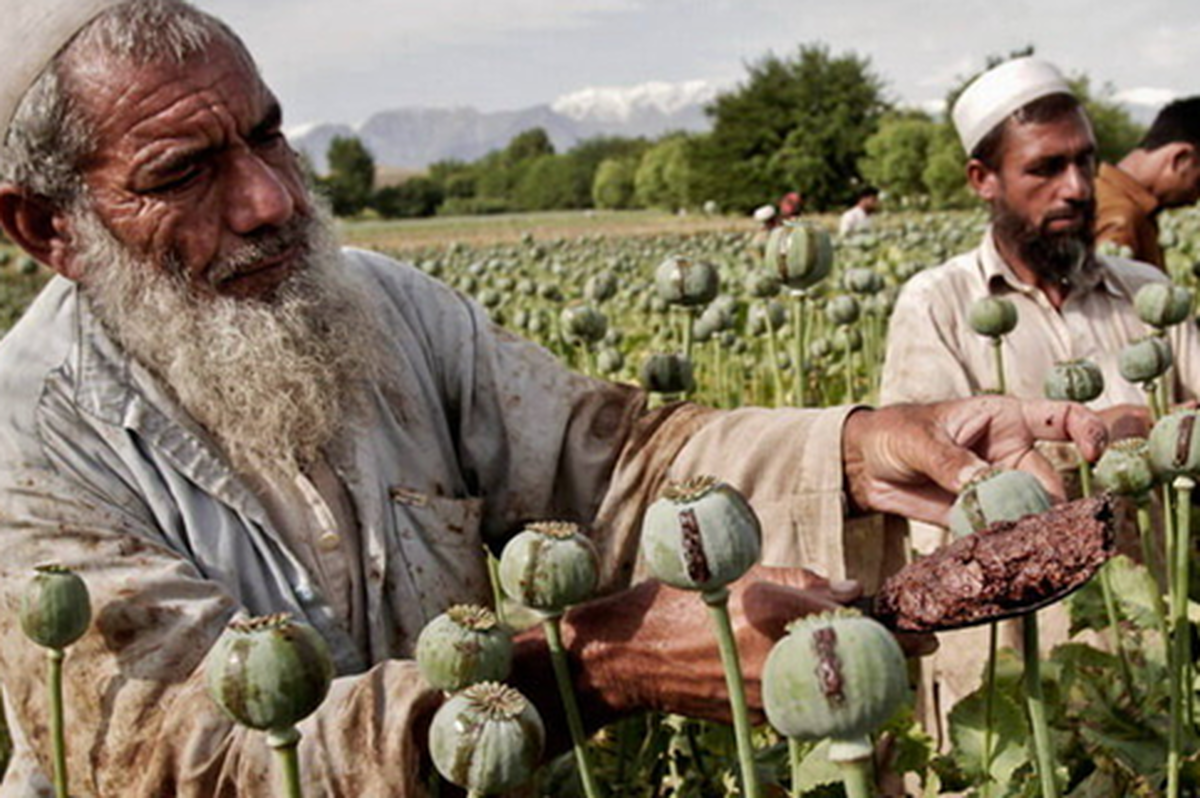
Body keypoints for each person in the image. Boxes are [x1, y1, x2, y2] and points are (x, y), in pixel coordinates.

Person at [0, 5, 1110, 794]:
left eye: (270, 135)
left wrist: (862, 449)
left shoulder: (377, 305)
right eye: (182, 171)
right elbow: (186, 764)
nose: (269, 200)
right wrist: (587, 671)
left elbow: (617, 462)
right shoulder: (30, 439)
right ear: (48, 229)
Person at [880, 56, 1200, 746]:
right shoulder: (937, 305)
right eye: (1046, 169)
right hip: (1003, 673)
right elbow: (927, 469)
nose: (1078, 188)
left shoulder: (1145, 291)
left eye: (1087, 162)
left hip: (1142, 653)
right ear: (982, 179)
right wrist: (1121, 437)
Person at [1094, 96, 1200, 269]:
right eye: (1198, 183)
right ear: (1180, 158)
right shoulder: (1122, 222)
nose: (1195, 200)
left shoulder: (1100, 191)